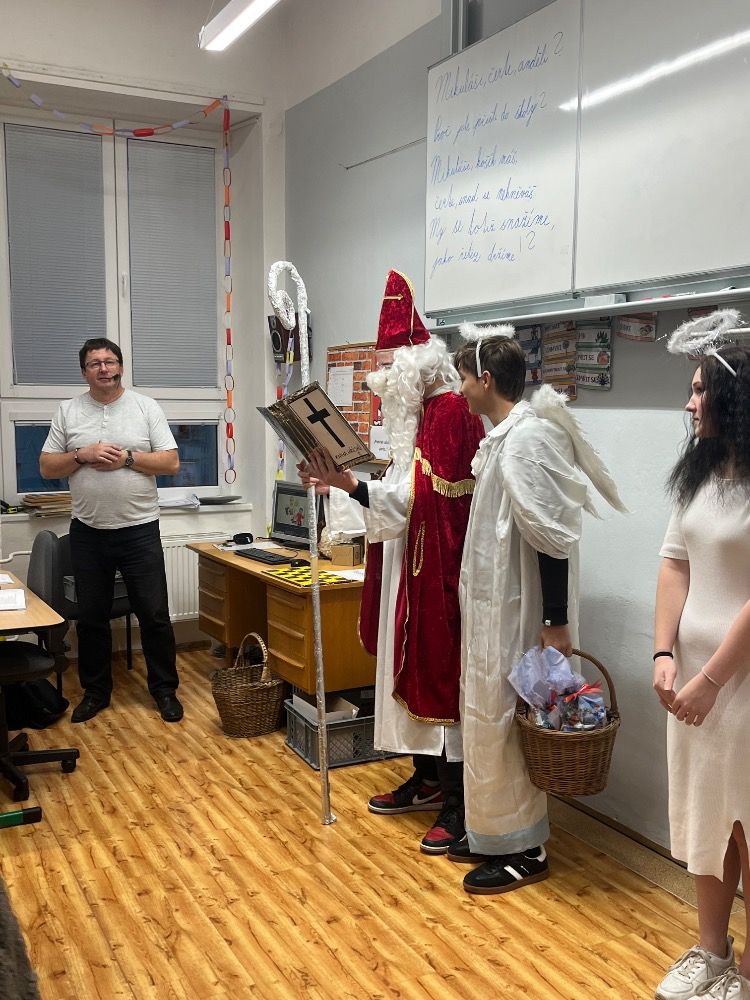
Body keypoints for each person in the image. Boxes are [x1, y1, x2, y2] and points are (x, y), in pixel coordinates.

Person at [299, 270, 484, 854]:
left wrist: (351, 485)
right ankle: (426, 779)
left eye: (388, 366)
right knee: (403, 674)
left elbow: (424, 502)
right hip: (407, 560)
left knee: (439, 677)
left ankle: (457, 802)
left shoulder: (450, 413)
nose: (381, 381)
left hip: (437, 570)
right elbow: (401, 490)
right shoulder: (417, 415)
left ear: (416, 365)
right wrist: (341, 484)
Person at [451, 326, 625, 894]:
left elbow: (551, 538)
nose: (460, 388)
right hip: (492, 607)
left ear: (486, 380)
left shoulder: (527, 440)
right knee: (487, 718)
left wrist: (554, 623)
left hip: (518, 610)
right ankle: (490, 830)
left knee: (511, 723)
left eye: (464, 378)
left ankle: (526, 848)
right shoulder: (503, 438)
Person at [652, 318, 750, 1000]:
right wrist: (664, 652)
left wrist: (712, 678)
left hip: (736, 682)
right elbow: (674, 562)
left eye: (699, 390)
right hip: (694, 684)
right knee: (706, 812)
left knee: (748, 822)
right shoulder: (699, 474)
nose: (689, 404)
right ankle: (712, 950)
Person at [39, 337, 183, 724]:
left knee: (154, 614)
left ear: (120, 367)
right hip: (88, 531)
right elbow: (47, 467)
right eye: (95, 363)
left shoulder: (145, 407)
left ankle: (164, 690)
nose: (104, 368)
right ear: (84, 372)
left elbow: (171, 463)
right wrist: (81, 454)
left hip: (140, 529)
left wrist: (128, 458)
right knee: (91, 618)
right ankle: (96, 692)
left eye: (110, 361)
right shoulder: (68, 411)